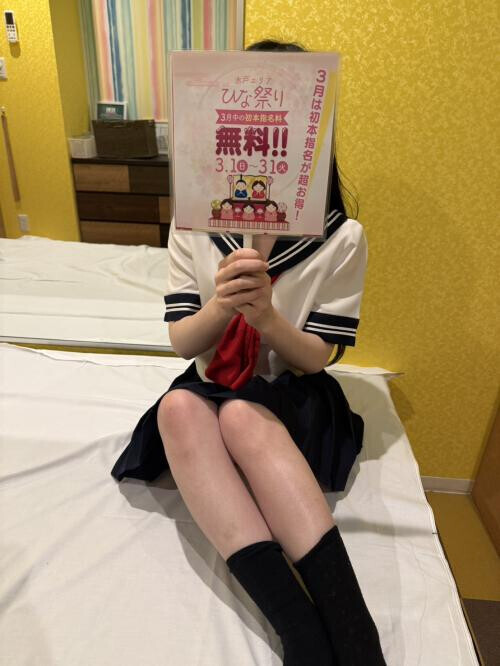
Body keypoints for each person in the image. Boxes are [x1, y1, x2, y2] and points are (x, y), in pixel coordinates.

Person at [111, 39, 386, 666]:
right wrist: (224, 307)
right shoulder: (194, 223)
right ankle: (299, 630)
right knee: (178, 408)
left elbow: (315, 359)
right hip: (212, 385)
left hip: (290, 397)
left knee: (238, 414)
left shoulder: (342, 238)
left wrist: (267, 318)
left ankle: (353, 630)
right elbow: (183, 343)